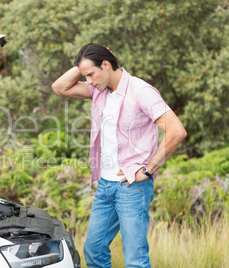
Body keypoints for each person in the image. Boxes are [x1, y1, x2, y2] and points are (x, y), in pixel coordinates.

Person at [51, 43, 187, 268]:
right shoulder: (98, 89)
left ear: (106, 64)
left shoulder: (140, 91)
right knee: (94, 252)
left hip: (132, 186)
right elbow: (59, 88)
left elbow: (176, 130)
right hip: (105, 185)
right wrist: (83, 64)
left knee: (135, 260)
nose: (89, 80)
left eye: (91, 74)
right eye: (86, 76)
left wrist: (148, 169)